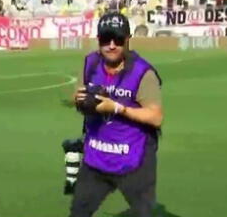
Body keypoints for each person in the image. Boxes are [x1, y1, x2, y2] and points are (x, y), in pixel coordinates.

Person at [70, 12, 164, 217]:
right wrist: (79, 101)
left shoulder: (142, 73)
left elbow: (156, 117)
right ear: (98, 40)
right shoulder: (90, 64)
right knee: (78, 213)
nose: (111, 45)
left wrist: (117, 108)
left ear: (128, 40)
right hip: (96, 158)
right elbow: (79, 100)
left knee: (143, 214)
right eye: (106, 39)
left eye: (118, 39)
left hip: (134, 160)